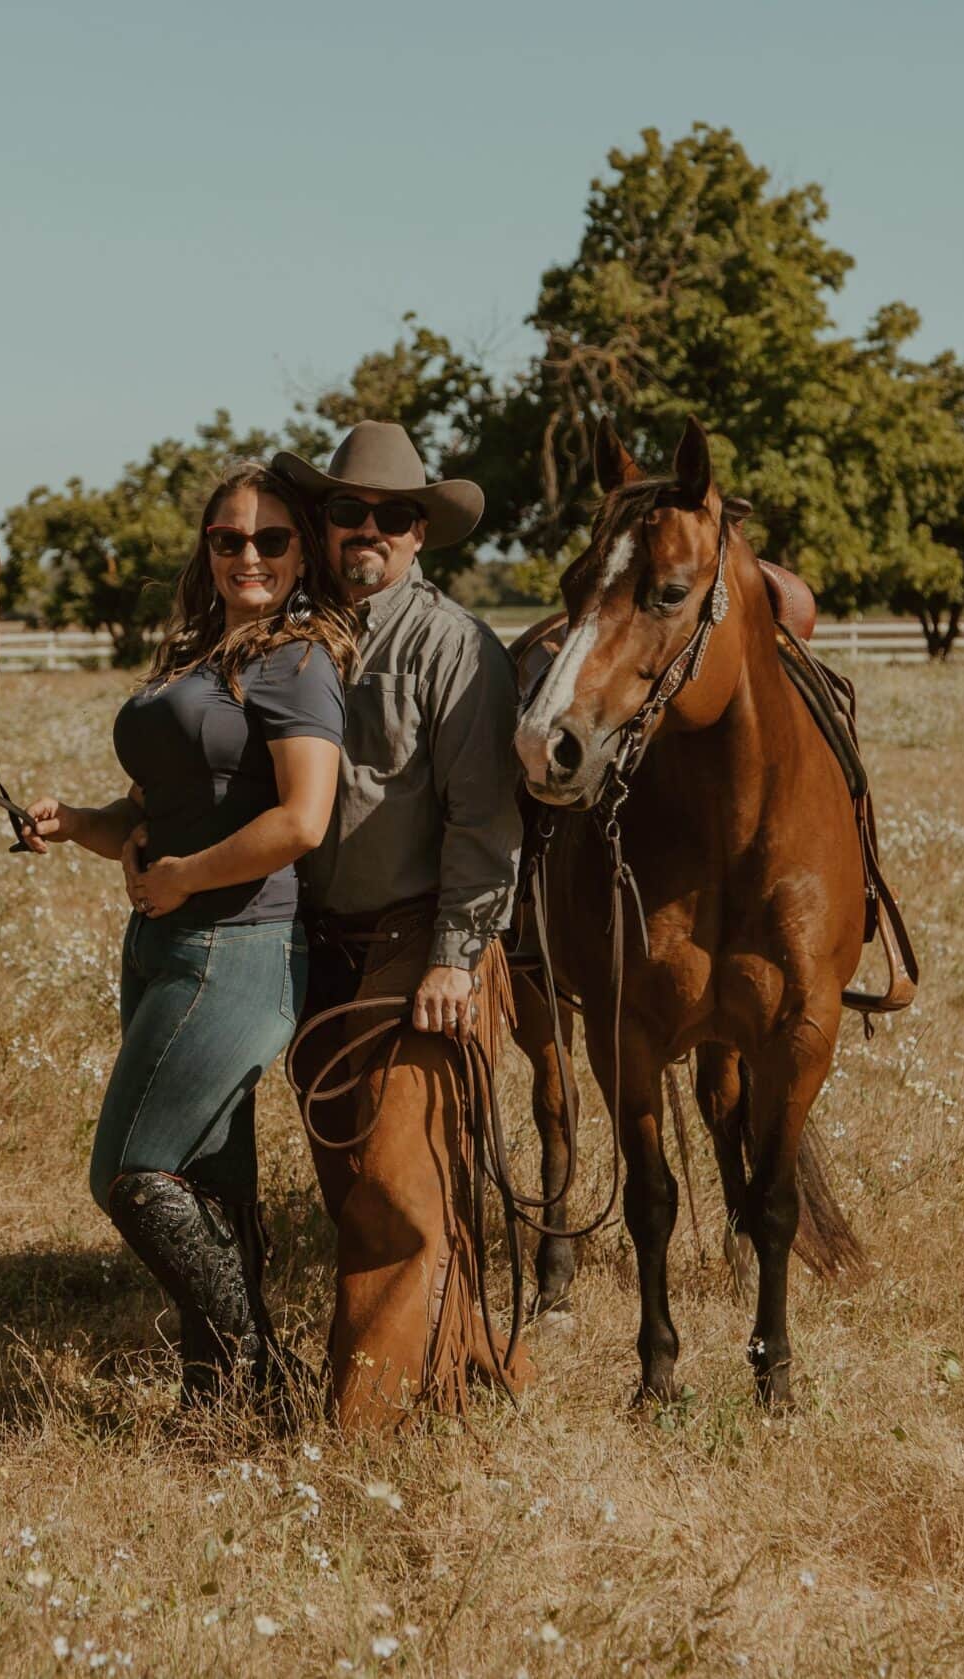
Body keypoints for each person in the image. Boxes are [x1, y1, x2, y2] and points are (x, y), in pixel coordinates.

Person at [23, 463, 357, 1407]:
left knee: (132, 1171)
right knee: (211, 1178)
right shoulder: (204, 656)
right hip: (168, 944)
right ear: (206, 551)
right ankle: (218, 1396)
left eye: (271, 540)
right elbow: (155, 807)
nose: (248, 555)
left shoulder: (298, 660)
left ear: (303, 557)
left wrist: (181, 877)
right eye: (228, 539)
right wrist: (77, 824)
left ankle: (264, 1375)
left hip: (238, 948)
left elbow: (303, 819)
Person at [267, 421, 532, 1429]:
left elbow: (483, 817)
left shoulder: (453, 646)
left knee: (398, 1182)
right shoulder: (292, 635)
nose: (366, 529)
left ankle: (361, 1429)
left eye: (391, 515)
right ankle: (457, 1370)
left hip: (415, 937)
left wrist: (457, 957)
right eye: (347, 511)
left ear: (420, 533)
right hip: (317, 937)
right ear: (323, 523)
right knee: (360, 1175)